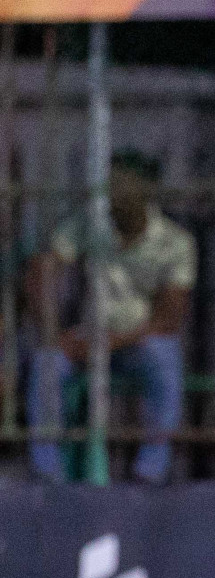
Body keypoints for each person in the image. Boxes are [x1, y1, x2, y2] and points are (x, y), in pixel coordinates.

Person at [25, 161, 195, 484]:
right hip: (88, 339)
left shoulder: (176, 242)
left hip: (137, 343)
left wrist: (110, 342)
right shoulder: (92, 225)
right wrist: (53, 333)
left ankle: (151, 472)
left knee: (165, 356)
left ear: (146, 194)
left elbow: (168, 319)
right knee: (47, 361)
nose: (117, 199)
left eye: (125, 189)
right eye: (113, 190)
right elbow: (42, 271)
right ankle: (47, 473)